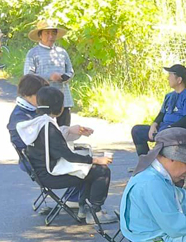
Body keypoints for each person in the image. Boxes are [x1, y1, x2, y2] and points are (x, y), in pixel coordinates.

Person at [15, 87, 115, 224]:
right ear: (58, 107)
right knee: (101, 170)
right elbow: (69, 156)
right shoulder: (48, 127)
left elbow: (57, 147)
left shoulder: (37, 123)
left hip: (40, 172)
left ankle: (84, 209)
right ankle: (95, 212)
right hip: (50, 176)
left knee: (88, 169)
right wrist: (96, 160)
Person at [130, 65, 186, 157]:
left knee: (165, 136)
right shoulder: (169, 96)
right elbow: (162, 113)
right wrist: (154, 124)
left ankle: (161, 163)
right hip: (164, 128)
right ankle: (145, 162)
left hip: (180, 131)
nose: (168, 78)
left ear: (179, 80)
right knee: (137, 131)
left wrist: (169, 128)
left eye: (170, 75)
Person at [24, 21, 75, 129]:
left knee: (65, 130)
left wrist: (63, 77)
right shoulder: (33, 53)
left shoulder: (62, 52)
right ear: (40, 35)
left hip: (63, 97)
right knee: (44, 130)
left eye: (53, 33)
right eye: (47, 33)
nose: (50, 36)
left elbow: (70, 71)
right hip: (43, 99)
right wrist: (49, 77)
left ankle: (64, 146)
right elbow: (28, 76)